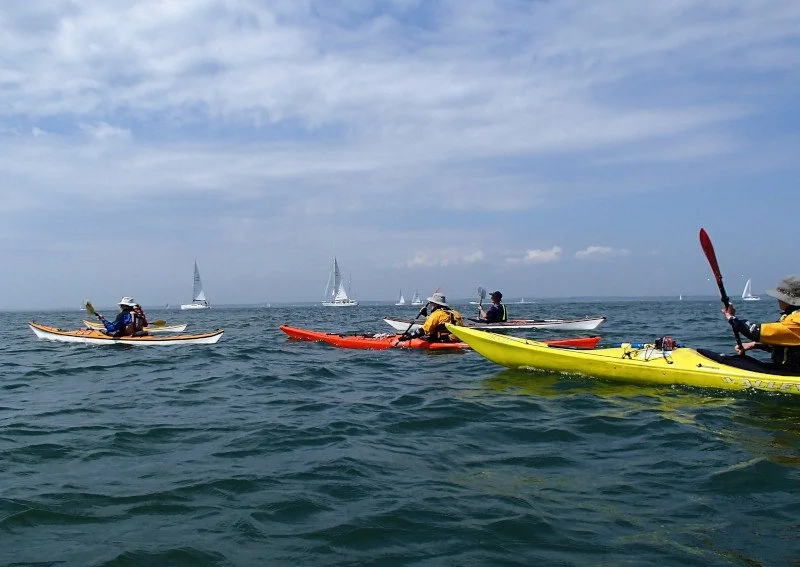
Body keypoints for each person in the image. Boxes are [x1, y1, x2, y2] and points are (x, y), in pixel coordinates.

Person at [722, 275, 800, 373]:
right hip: (785, 368)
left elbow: (756, 332)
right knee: (741, 360)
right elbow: (785, 343)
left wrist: (732, 318)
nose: (778, 300)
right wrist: (754, 345)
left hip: (791, 372)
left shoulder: (797, 319)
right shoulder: (790, 316)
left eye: (780, 297)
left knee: (734, 362)